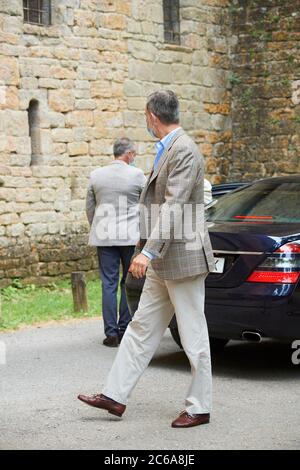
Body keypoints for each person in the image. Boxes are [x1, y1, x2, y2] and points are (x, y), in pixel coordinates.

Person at [79, 90, 215, 428]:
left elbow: (174, 206)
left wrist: (146, 251)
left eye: (145, 116)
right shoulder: (167, 149)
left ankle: (199, 407)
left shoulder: (183, 149)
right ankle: (114, 395)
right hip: (163, 261)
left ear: (152, 115)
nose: (145, 121)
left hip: (181, 259)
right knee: (140, 328)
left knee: (193, 334)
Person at [86, 137, 146, 347]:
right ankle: (124, 328)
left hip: (104, 237)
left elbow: (90, 208)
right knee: (127, 282)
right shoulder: (137, 175)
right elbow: (146, 205)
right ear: (129, 154)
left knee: (108, 283)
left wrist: (98, 226)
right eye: (134, 154)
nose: (134, 158)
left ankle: (110, 333)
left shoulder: (96, 175)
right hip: (130, 237)